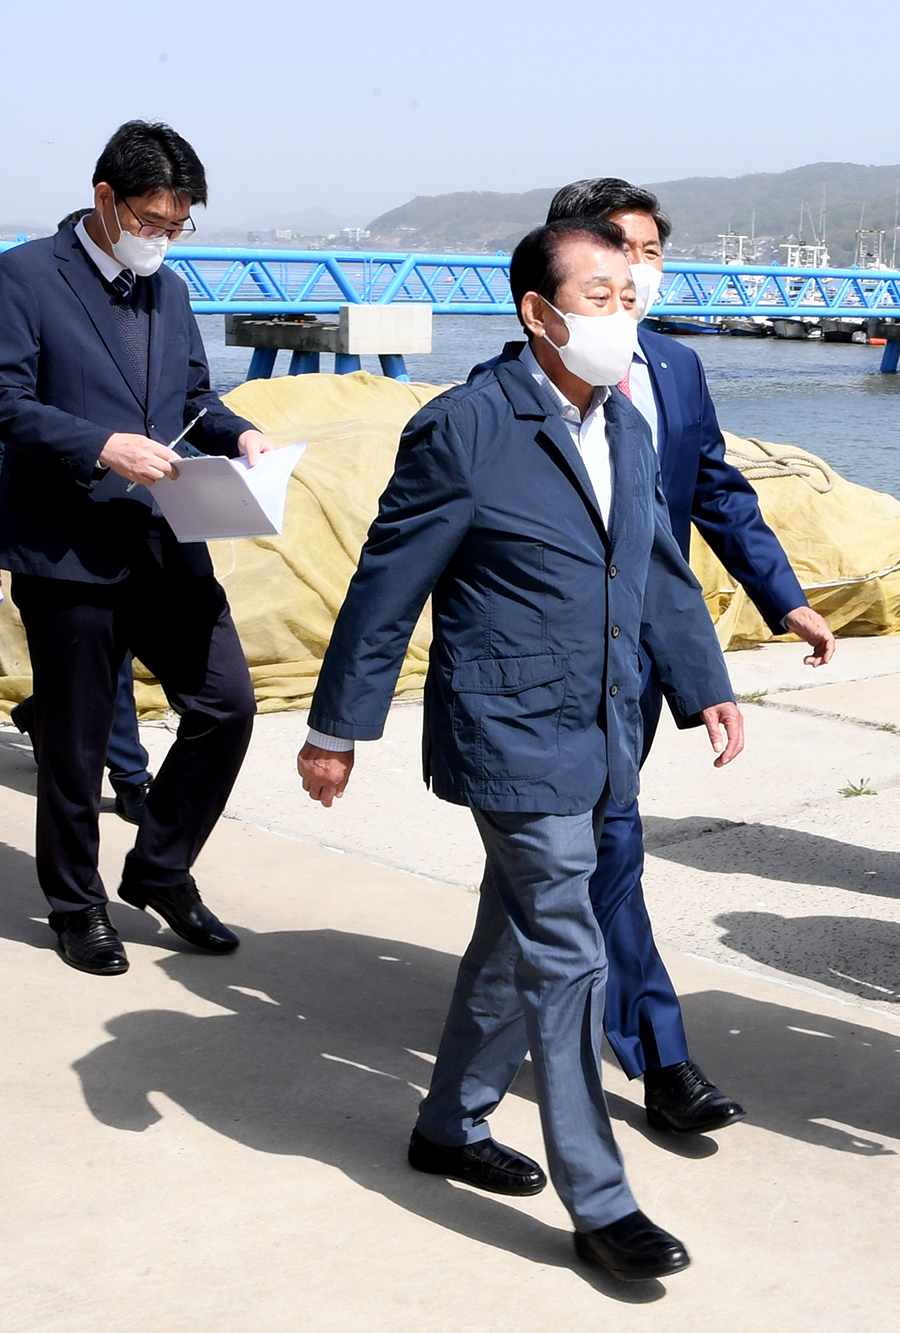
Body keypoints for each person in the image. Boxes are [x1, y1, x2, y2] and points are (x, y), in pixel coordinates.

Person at [296, 218, 743, 1282]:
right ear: (539, 313)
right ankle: (601, 1198)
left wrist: (704, 683)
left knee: (514, 934)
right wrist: (334, 729)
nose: (622, 314)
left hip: (602, 726)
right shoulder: (466, 428)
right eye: (598, 297)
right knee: (569, 947)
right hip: (508, 730)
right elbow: (386, 584)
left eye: (629, 295)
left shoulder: (624, 424)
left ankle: (448, 1123)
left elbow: (657, 566)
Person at [535, 177, 837, 1136]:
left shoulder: (673, 367)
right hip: (550, 670)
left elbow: (715, 493)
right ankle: (661, 1057)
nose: (638, 270)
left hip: (638, 661)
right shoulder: (508, 393)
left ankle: (529, 1011)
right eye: (619, 252)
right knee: (605, 851)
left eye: (652, 253)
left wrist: (785, 598)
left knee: (583, 855)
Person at [0, 121, 275, 976]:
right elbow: (0, 399)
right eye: (151, 220)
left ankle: (160, 867)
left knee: (226, 705)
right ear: (105, 199)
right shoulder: (23, 275)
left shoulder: (168, 291)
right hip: (68, 543)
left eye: (178, 225)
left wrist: (240, 432)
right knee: (73, 744)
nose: (163, 238)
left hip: (165, 536)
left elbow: (193, 396)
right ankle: (77, 905)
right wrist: (101, 445)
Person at [0, 430, 155, 826]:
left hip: (130, 521)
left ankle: (40, 711)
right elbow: (4, 440)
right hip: (52, 535)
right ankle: (131, 779)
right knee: (105, 658)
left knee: (96, 660)